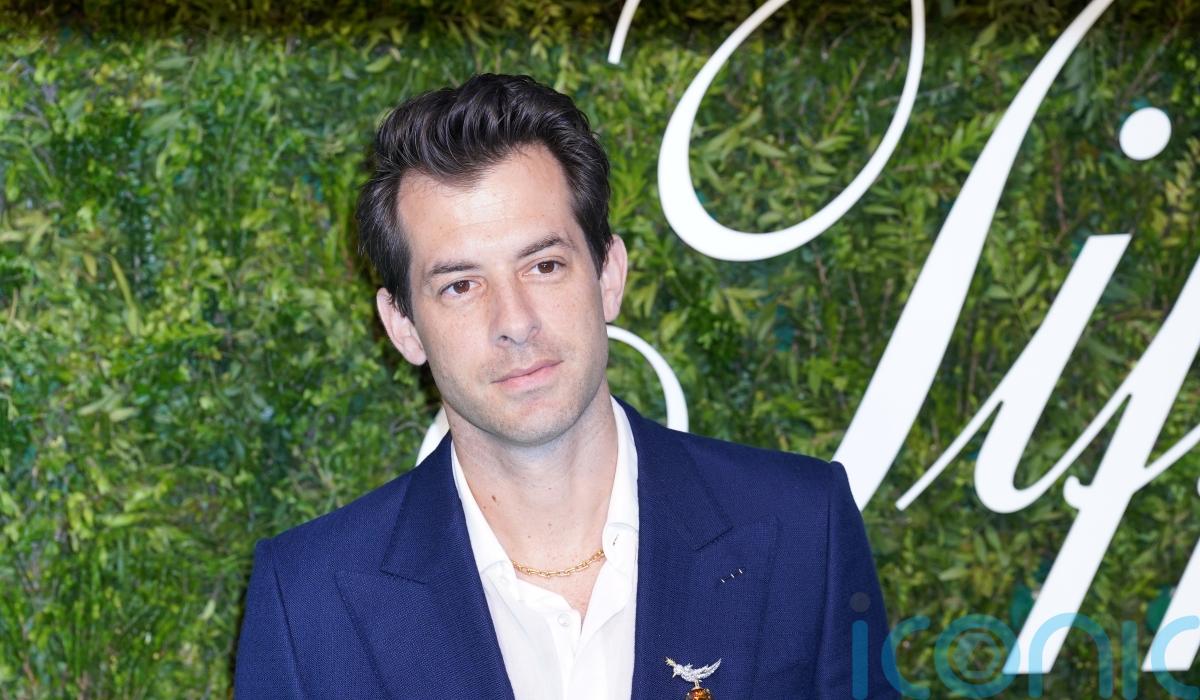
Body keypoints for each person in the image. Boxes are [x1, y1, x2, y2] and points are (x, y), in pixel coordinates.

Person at [235, 73, 896, 699]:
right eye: (461, 286)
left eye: (544, 265)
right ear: (403, 326)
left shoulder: (803, 526)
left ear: (608, 276)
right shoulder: (308, 599)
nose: (514, 322)